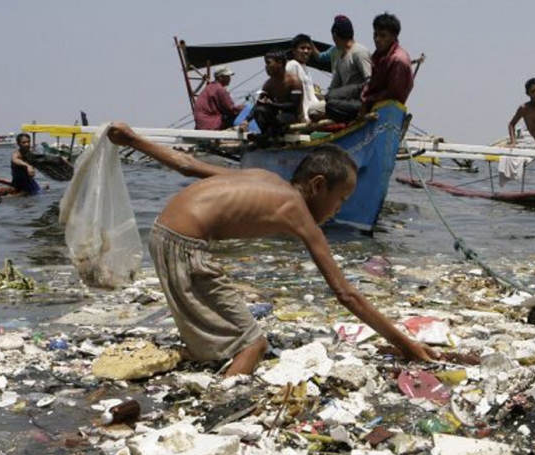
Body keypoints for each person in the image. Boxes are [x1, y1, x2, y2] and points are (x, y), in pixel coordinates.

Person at [106, 122, 438, 376]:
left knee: (223, 334)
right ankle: (220, 407)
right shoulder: (296, 210)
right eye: (340, 201)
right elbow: (346, 294)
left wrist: (132, 140)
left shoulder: (263, 177)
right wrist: (405, 345)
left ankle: (207, 356)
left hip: (165, 233)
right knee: (254, 344)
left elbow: (188, 165)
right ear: (318, 185)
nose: (338, 210)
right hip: (184, 246)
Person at [308, 15, 372, 122]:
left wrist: (364, 107)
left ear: (335, 36)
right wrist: (323, 97)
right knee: (313, 110)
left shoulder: (359, 52)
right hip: (342, 101)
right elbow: (334, 87)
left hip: (359, 102)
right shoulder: (339, 56)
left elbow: (370, 81)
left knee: (331, 106)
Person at [240, 51, 302, 141]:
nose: (266, 67)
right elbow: (259, 103)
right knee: (259, 110)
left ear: (279, 63)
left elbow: (293, 105)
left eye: (268, 63)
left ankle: (264, 137)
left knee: (279, 120)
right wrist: (246, 120)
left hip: (291, 115)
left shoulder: (293, 81)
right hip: (276, 116)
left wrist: (272, 105)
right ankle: (267, 136)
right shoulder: (268, 84)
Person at [360, 13, 415, 114]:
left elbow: (392, 94)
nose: (377, 39)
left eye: (382, 35)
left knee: (335, 106)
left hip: (382, 106)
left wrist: (366, 101)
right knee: (336, 96)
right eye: (375, 35)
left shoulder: (398, 60)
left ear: (394, 37)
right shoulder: (379, 55)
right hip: (369, 97)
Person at [193, 66, 244, 130]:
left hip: (202, 124)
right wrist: (243, 108)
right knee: (245, 116)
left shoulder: (209, 87)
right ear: (220, 78)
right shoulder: (220, 89)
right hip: (212, 124)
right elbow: (230, 110)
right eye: (227, 76)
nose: (229, 79)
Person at [286, 34, 320, 122]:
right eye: (302, 48)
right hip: (305, 115)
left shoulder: (305, 68)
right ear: (294, 50)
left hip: (313, 112)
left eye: (309, 48)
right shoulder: (292, 65)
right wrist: (301, 116)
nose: (306, 51)